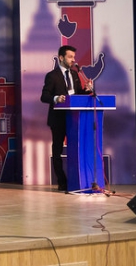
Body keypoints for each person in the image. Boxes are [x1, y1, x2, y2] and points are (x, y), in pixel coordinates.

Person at [40, 45, 93, 192]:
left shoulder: (75, 74)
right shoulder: (52, 76)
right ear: (61, 57)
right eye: (70, 57)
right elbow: (44, 96)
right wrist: (56, 98)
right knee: (57, 150)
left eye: (74, 57)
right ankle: (62, 182)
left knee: (75, 148)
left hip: (74, 118)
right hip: (58, 119)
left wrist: (86, 90)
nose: (73, 60)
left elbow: (77, 95)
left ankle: (77, 179)